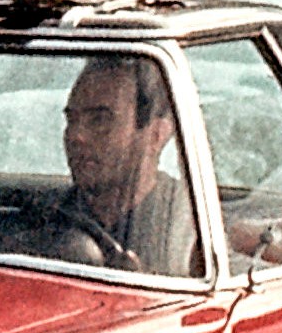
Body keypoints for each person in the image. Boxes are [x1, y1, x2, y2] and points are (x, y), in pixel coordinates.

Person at [41, 55, 197, 276]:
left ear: (156, 135)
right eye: (71, 120)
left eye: (100, 120)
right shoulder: (46, 221)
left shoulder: (187, 227)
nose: (76, 136)